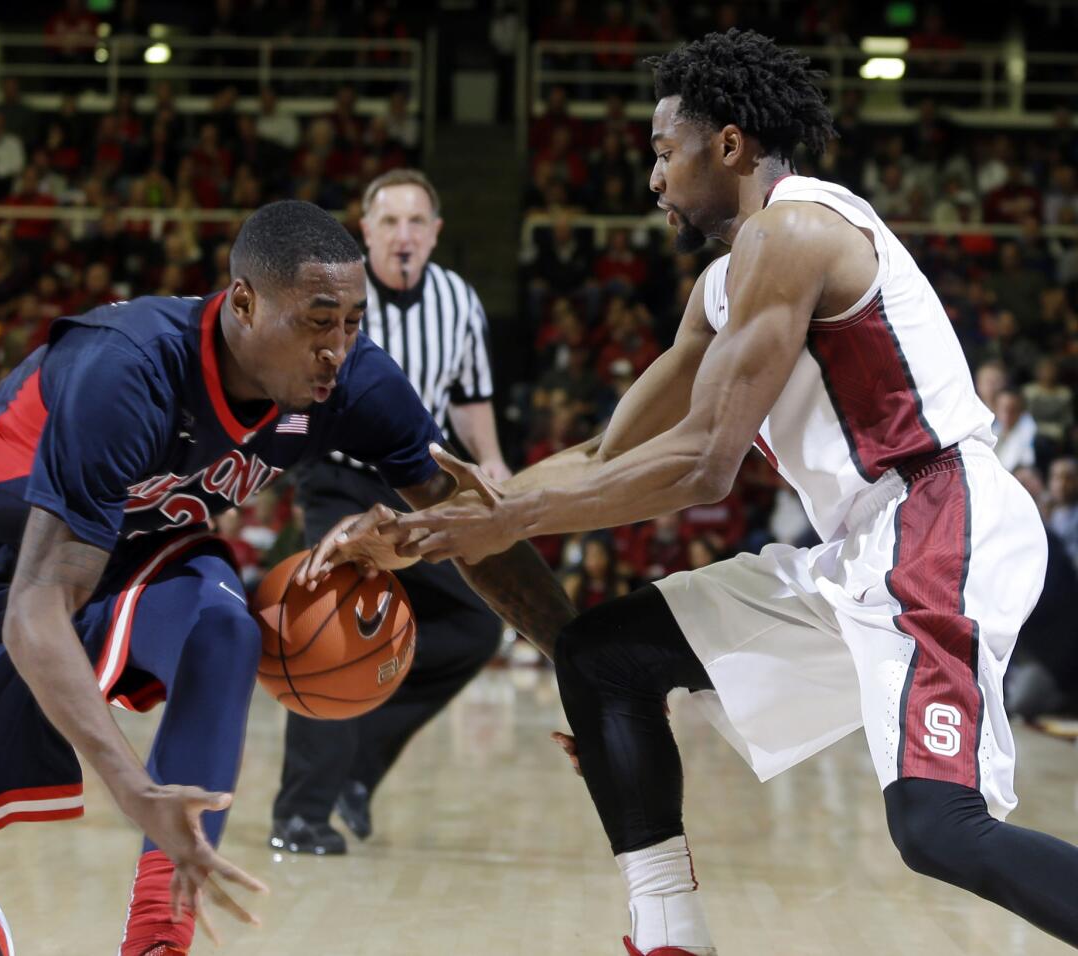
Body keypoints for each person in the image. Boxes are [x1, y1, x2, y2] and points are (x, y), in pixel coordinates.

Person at [308, 30, 1078, 955]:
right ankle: (669, 936)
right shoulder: (723, 287)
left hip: (941, 518)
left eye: (664, 151)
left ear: (729, 144)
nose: (654, 179)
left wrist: (509, 516)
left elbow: (702, 466)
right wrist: (439, 523)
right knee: (598, 658)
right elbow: (608, 451)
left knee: (936, 829)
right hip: (864, 544)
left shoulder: (797, 231)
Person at [0, 195, 571, 955]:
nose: (337, 348)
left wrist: (580, 662)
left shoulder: (349, 384)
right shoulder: (126, 370)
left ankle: (158, 936)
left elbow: (474, 524)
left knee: (223, 627)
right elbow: (32, 612)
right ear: (243, 302)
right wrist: (135, 788)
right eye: (316, 321)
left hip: (133, 554)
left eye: (353, 322)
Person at [271, 169, 513, 855]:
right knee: (327, 630)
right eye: (389, 222)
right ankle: (300, 815)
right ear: (365, 231)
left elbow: (468, 395)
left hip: (420, 491)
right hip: (340, 484)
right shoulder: (338, 300)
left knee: (473, 622)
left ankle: (357, 768)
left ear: (435, 234)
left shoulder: (459, 301)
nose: (403, 235)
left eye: (416, 223)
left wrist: (492, 462)